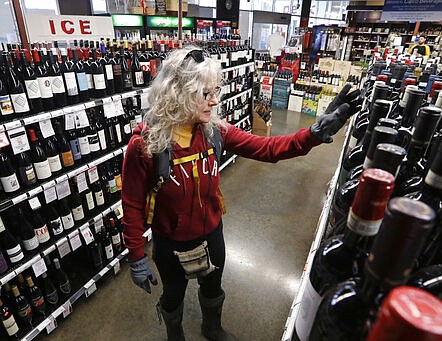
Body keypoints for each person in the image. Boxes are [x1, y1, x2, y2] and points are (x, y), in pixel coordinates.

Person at [121, 47, 362, 341]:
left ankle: (212, 328)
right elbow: (132, 204)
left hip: (211, 232)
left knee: (213, 286)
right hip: (169, 242)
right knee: (173, 293)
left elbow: (268, 149)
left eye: (215, 90)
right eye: (204, 92)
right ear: (179, 92)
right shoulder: (145, 146)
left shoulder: (214, 131)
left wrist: (313, 133)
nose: (215, 99)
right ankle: (175, 334)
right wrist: (136, 256)